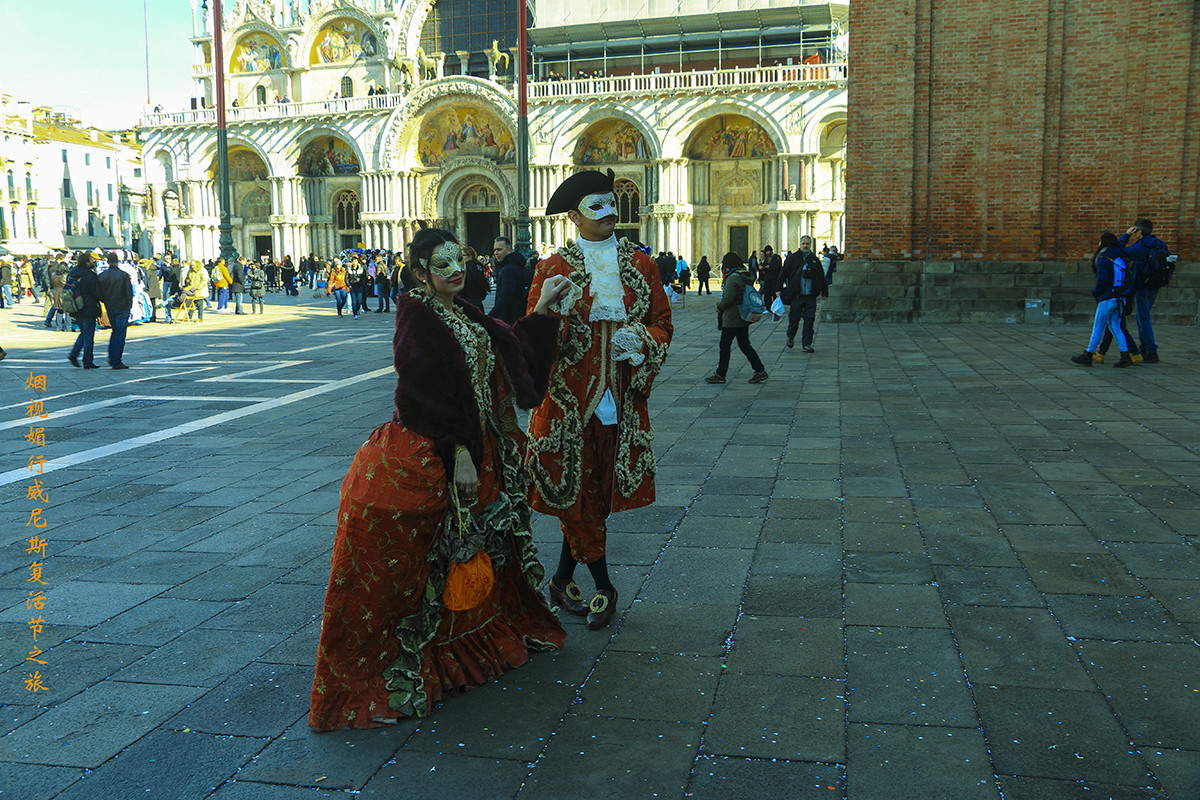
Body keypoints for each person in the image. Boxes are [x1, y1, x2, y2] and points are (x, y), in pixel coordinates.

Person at [308, 228, 573, 731]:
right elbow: (421, 394)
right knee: (430, 556)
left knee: (479, 547)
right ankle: (410, 667)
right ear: (421, 273)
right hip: (444, 450)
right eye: (442, 262)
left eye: (460, 259)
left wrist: (542, 311)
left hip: (486, 448)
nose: (455, 268)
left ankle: (472, 649)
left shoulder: (463, 310)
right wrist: (459, 457)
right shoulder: (418, 315)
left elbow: (508, 349)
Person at [527, 168, 673, 630]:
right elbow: (533, 338)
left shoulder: (642, 265)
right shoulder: (552, 268)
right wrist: (551, 313)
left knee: (596, 494)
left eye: (613, 204)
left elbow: (663, 323)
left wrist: (643, 341)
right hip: (569, 404)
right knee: (582, 493)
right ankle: (605, 587)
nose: (611, 213)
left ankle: (560, 580)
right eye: (597, 207)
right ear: (573, 216)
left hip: (622, 402)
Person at [1071, 232, 1135, 368]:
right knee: (1116, 327)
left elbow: (1103, 280)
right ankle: (1125, 356)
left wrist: (1096, 293)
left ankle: (1088, 355)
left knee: (1098, 326)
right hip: (1121, 297)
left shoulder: (1103, 258)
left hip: (1107, 297)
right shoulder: (1122, 256)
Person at [704, 252, 768, 385]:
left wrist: (719, 306)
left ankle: (721, 374)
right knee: (745, 345)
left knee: (725, 346)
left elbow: (728, 299)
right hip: (742, 316)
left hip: (732, 318)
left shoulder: (732, 278)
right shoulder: (743, 275)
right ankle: (760, 370)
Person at [1117, 218, 1168, 363]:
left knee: (1143, 319)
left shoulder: (1139, 247)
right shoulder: (1159, 243)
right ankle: (1145, 347)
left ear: (1139, 231)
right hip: (1155, 285)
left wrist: (1126, 235)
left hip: (1141, 286)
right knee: (1143, 317)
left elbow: (1118, 251)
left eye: (1135, 230)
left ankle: (1151, 351)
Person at [778, 235, 828, 352]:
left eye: (807, 244)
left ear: (810, 245)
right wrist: (778, 288)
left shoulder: (814, 260)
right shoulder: (792, 258)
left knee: (809, 320)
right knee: (794, 319)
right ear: (800, 244)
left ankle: (807, 343)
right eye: (803, 243)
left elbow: (821, 277)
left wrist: (824, 291)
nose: (805, 246)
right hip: (797, 295)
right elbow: (783, 273)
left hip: (810, 296)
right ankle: (790, 336)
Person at [96, 252, 133, 369]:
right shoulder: (123, 275)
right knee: (120, 334)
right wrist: (129, 306)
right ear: (117, 261)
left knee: (114, 332)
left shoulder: (102, 276)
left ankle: (112, 357)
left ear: (108, 262)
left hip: (110, 306)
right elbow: (128, 293)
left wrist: (106, 301)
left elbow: (98, 293)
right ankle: (116, 360)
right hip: (122, 306)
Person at [66, 252, 102, 369]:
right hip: (88, 306)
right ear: (87, 263)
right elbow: (96, 293)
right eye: (91, 260)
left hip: (75, 306)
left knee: (84, 332)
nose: (93, 262)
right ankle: (87, 361)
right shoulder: (90, 275)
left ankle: (74, 354)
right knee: (89, 336)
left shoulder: (72, 273)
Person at [489, 236, 527, 324]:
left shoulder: (509, 269)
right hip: (514, 316)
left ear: (509, 250)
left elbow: (506, 297)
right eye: (494, 250)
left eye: (499, 249)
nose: (496, 253)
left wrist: (491, 316)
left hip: (509, 318)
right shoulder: (510, 266)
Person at [459, 245, 490, 309]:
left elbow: (467, 283)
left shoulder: (468, 267)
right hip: (478, 300)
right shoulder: (479, 265)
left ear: (470, 256)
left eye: (463, 255)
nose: (461, 258)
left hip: (468, 299)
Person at [44, 257, 71, 331]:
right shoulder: (66, 275)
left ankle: (58, 326)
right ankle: (68, 326)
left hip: (56, 292)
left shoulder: (53, 275)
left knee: (59, 310)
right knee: (67, 311)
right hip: (65, 292)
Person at [758, 245, 782, 311]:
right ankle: (768, 308)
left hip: (774, 278)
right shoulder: (766, 258)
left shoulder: (776, 257)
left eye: (768, 251)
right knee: (767, 294)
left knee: (774, 293)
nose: (767, 253)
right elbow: (763, 266)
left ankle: (776, 307)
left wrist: (770, 267)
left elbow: (778, 266)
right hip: (767, 279)